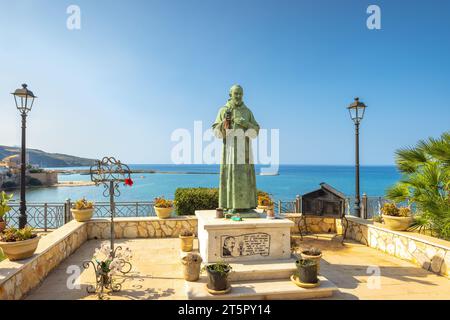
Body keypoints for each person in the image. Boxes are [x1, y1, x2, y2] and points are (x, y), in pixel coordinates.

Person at [212, 85, 260, 213]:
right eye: (236, 94)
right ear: (230, 95)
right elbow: (216, 133)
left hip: (245, 151)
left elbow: (255, 132)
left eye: (240, 94)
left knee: (245, 177)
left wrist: (246, 124)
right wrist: (224, 123)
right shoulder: (223, 110)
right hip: (230, 150)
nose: (238, 96)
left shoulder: (247, 112)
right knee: (231, 175)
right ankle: (231, 206)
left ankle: (247, 206)